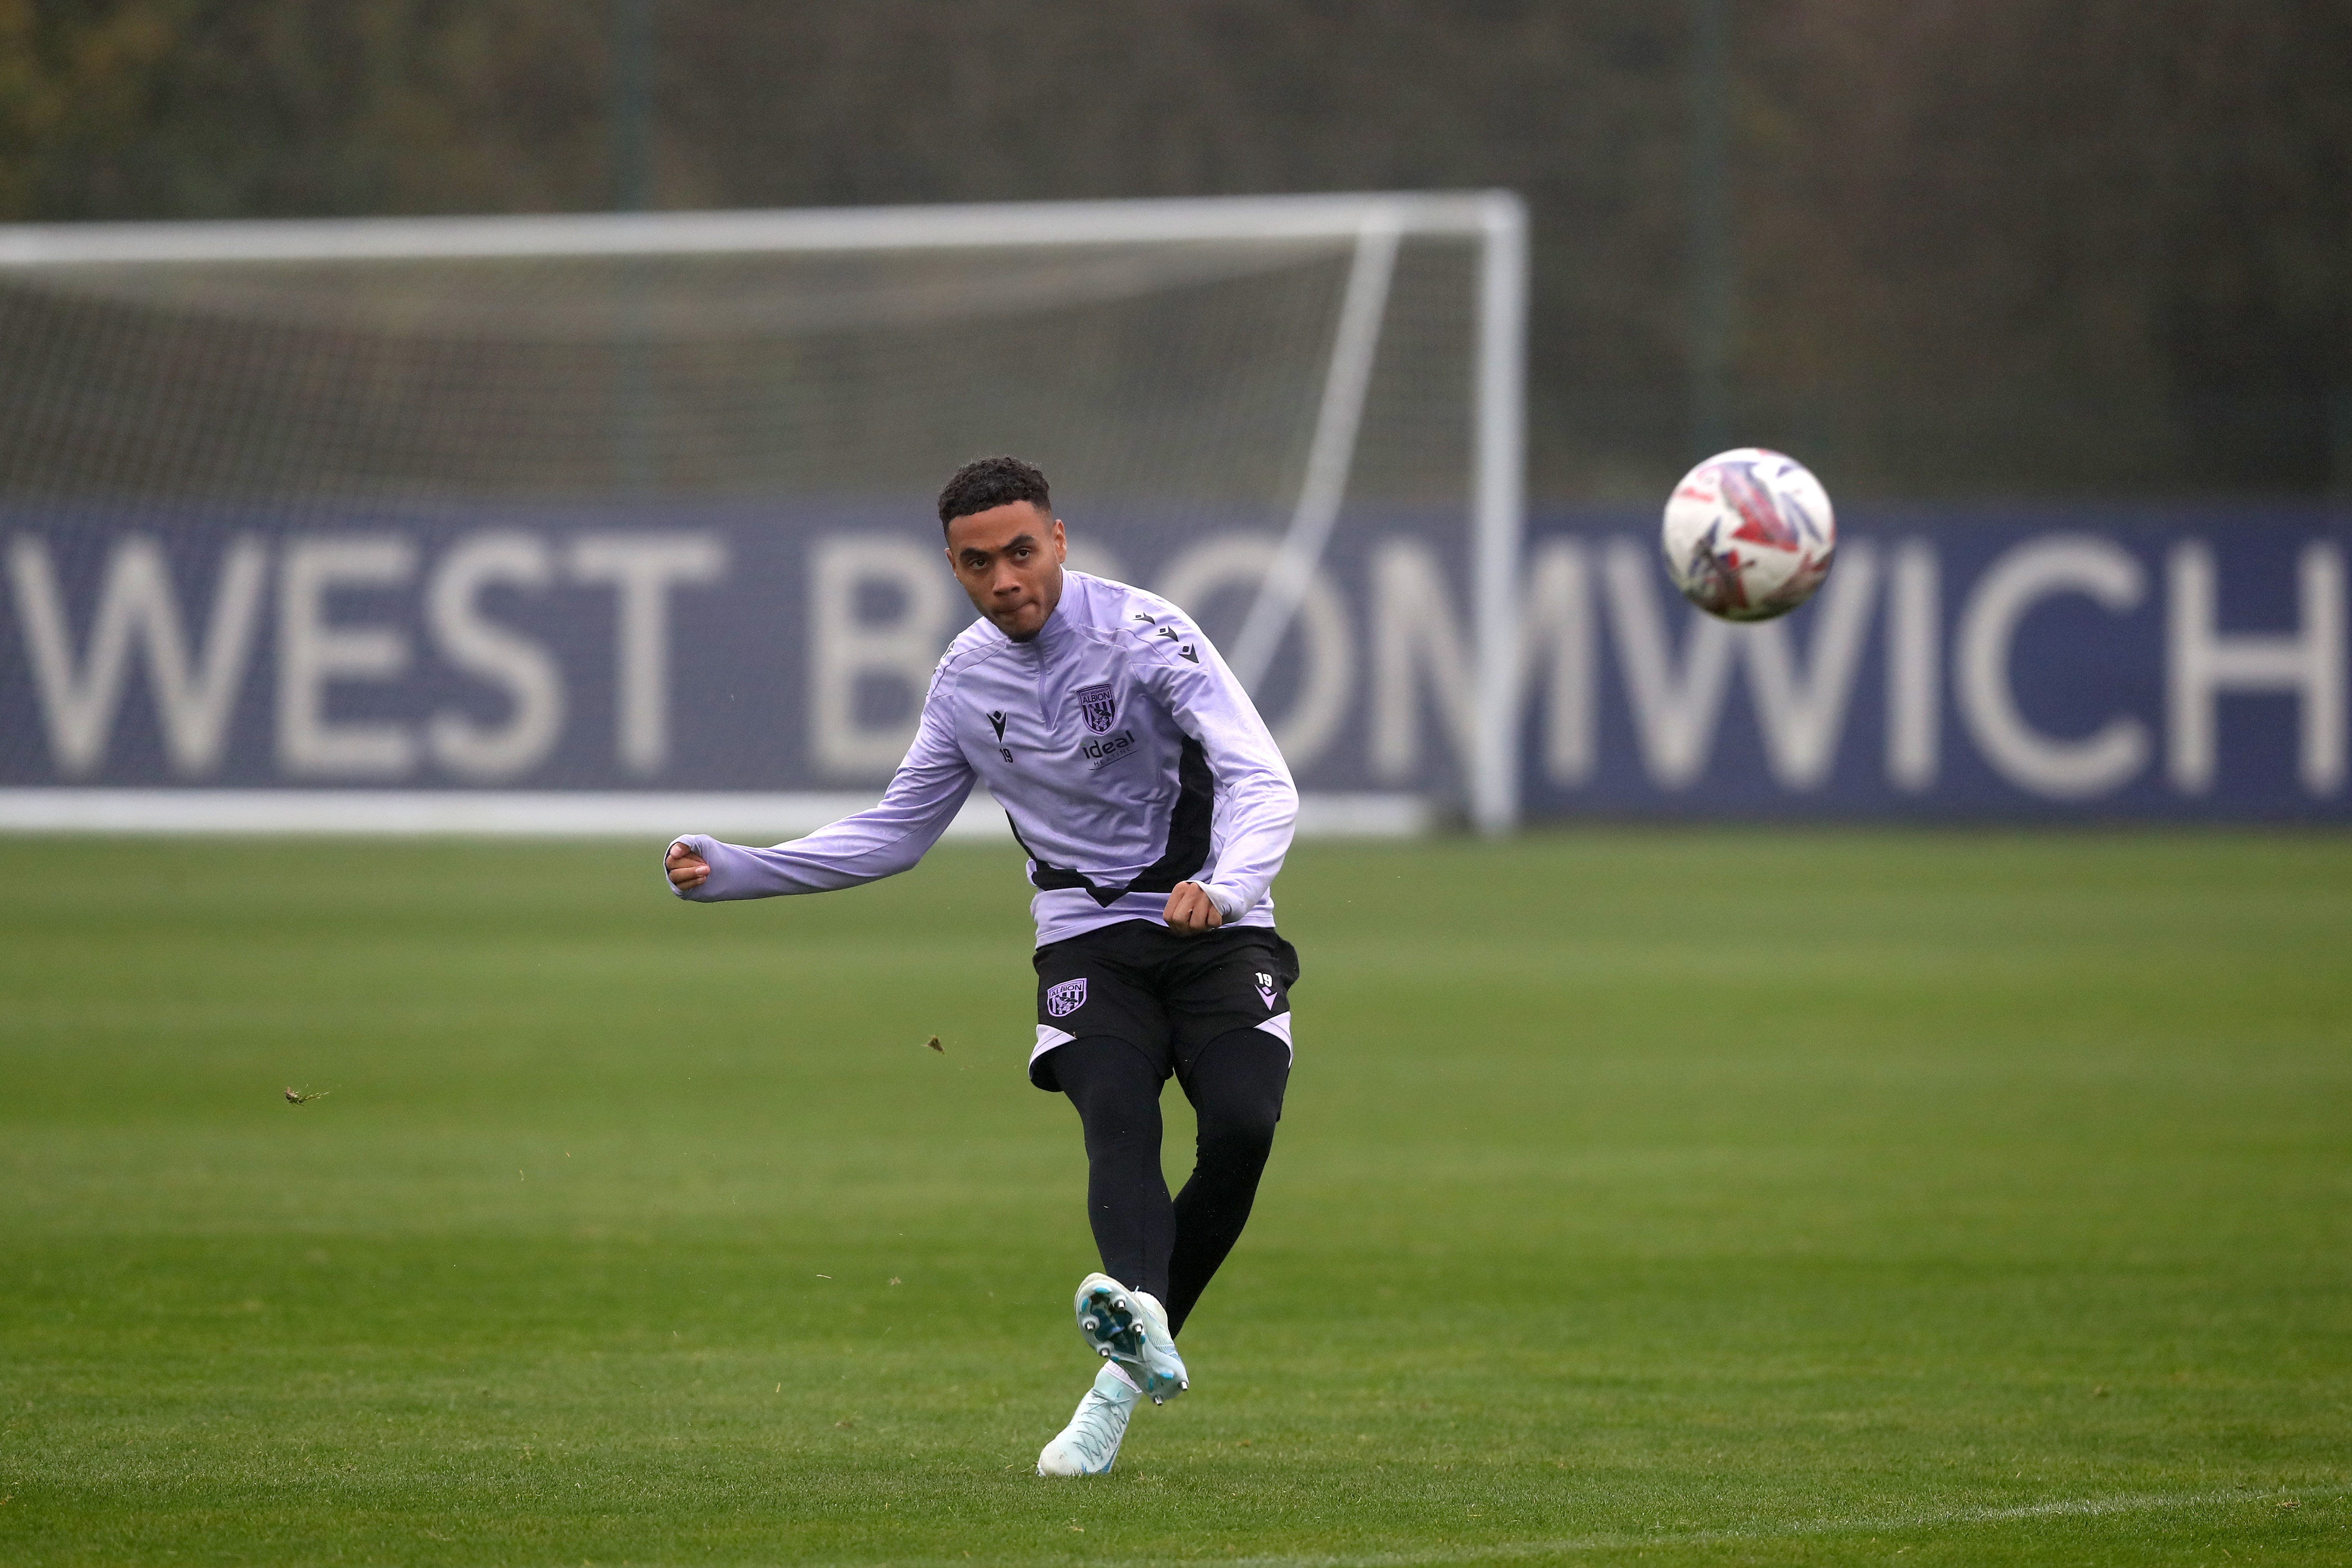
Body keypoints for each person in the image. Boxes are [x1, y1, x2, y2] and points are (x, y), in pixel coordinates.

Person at [662, 456, 1300, 1477]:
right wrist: (740, 868)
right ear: (953, 569)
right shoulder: (965, 681)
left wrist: (1225, 885)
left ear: (1058, 541)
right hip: (1085, 939)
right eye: (977, 563)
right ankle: (1135, 1321)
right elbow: (897, 832)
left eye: (1019, 552)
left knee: (1241, 1127)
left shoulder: (1149, 634)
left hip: (1214, 920)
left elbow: (1260, 778)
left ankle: (1115, 1378)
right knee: (1116, 1112)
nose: (1005, 579)